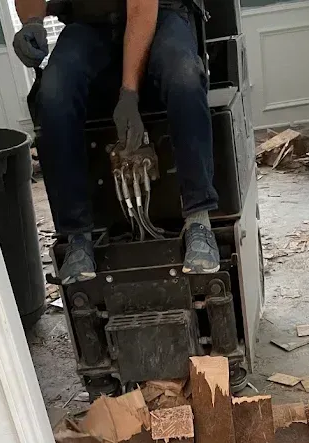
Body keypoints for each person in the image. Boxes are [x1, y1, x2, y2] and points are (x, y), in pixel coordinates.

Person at [13, 0, 220, 284]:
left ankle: (199, 220)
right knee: (53, 93)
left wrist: (129, 94)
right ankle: (77, 238)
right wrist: (32, 22)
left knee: (183, 75)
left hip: (160, 15)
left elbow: (140, 10)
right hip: (90, 25)